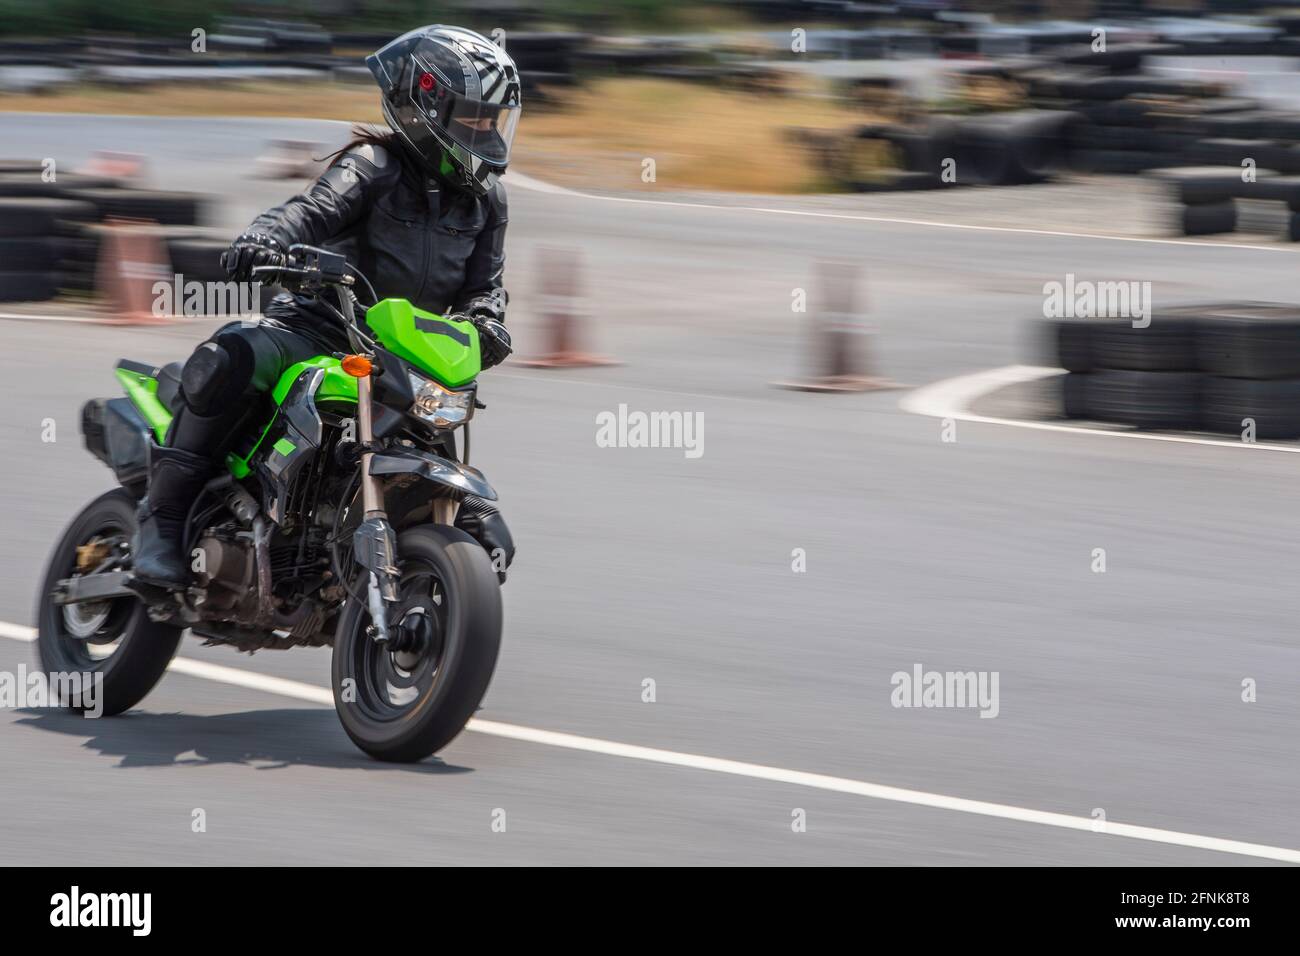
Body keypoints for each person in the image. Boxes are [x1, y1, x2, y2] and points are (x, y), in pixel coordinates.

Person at [133, 24, 519, 588]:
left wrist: (487, 321)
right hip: (318, 329)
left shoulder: (487, 202)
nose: (485, 133)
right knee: (230, 357)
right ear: (424, 106)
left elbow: (485, 285)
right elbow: (305, 213)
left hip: (407, 356)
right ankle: (162, 521)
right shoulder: (372, 167)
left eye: (494, 121)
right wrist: (265, 239)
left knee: (485, 529)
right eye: (474, 118)